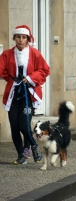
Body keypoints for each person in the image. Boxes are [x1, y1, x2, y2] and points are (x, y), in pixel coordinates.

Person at [0, 25, 50, 164]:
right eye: (18, 37)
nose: (21, 40)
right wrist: (10, 78)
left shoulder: (35, 54)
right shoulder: (7, 54)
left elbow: (45, 71)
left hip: (29, 94)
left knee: (24, 125)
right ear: (14, 38)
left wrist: (30, 78)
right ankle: (21, 155)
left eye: (23, 37)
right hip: (13, 94)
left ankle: (33, 145)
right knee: (14, 126)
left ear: (27, 39)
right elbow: (1, 69)